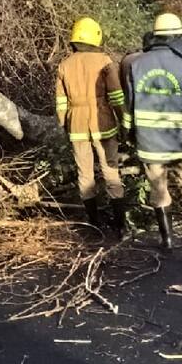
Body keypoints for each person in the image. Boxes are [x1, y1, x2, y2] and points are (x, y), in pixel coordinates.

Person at [122, 13, 182, 251]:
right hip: (179, 141)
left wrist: (128, 133)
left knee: (159, 191)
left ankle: (168, 241)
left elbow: (129, 105)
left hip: (149, 143)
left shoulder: (136, 65)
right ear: (177, 37)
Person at [55, 16, 127, 239]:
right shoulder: (104, 61)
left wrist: (64, 124)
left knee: (85, 175)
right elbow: (116, 96)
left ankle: (94, 225)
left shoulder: (64, 65)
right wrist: (123, 121)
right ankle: (121, 226)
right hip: (103, 122)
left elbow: (61, 102)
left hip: (76, 125)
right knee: (110, 171)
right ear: (96, 38)